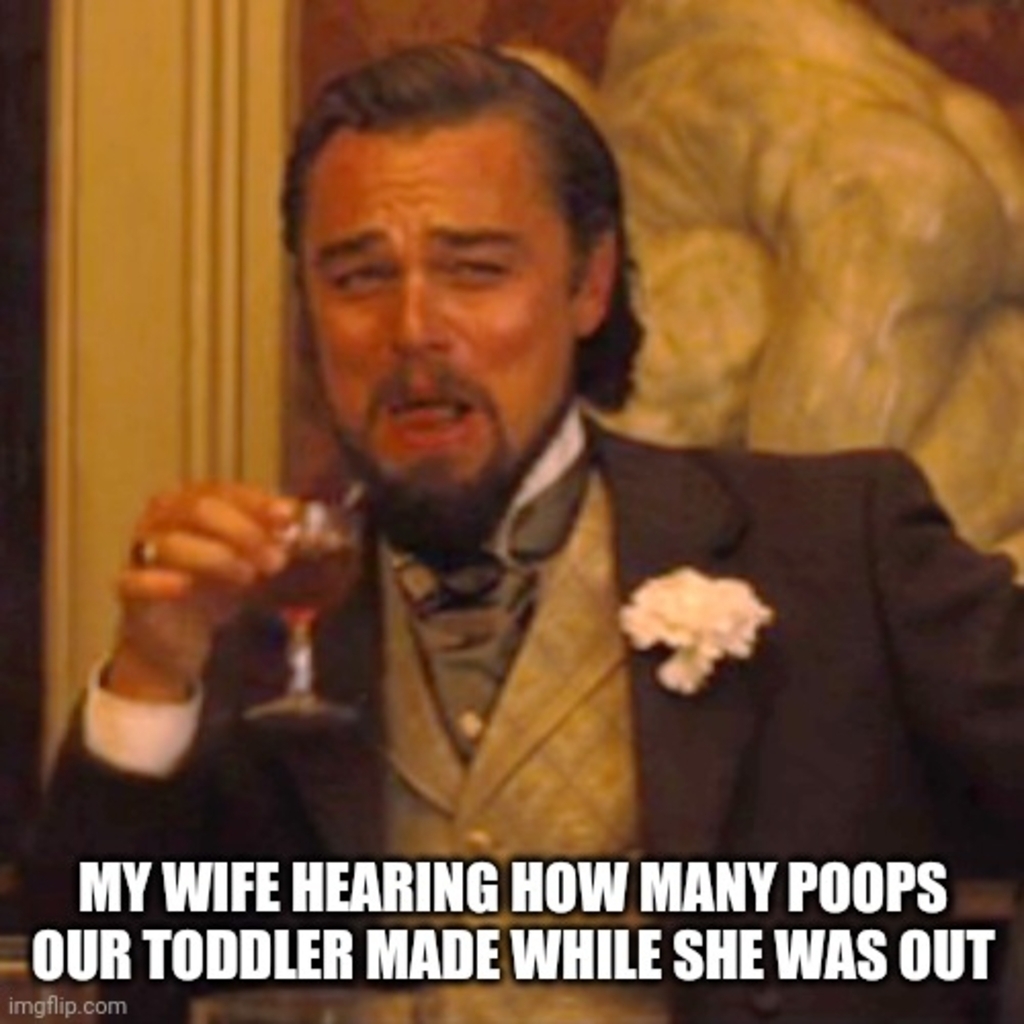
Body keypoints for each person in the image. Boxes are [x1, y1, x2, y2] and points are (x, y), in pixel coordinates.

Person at [27, 42, 1024, 1024]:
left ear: (588, 284)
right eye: (358, 277)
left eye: (474, 269)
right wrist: (148, 681)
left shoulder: (839, 548)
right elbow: (65, 1002)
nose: (413, 328)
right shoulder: (252, 637)